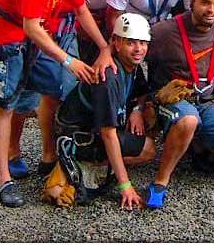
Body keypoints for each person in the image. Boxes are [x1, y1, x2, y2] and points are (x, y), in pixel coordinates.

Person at [0, 0, 113, 207]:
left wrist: (105, 47)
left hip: (33, 35)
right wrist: (69, 60)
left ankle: (44, 154)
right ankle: (3, 178)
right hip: (7, 34)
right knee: (5, 104)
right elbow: (31, 27)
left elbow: (80, 10)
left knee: (46, 90)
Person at [144, 0, 214, 209]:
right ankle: (161, 180)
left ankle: (194, 146)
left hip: (207, 98)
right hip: (173, 97)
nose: (211, 9)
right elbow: (131, 50)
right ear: (192, 2)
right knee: (188, 120)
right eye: (204, 2)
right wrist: (140, 105)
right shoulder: (164, 31)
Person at [55, 13, 157, 209]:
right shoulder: (107, 79)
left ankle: (100, 161)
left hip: (87, 129)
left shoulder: (131, 65)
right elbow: (108, 134)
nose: (138, 49)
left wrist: (137, 110)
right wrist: (125, 186)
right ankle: (86, 164)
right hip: (76, 138)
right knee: (148, 149)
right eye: (132, 43)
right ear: (116, 44)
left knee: (149, 122)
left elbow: (142, 91)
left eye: (143, 43)